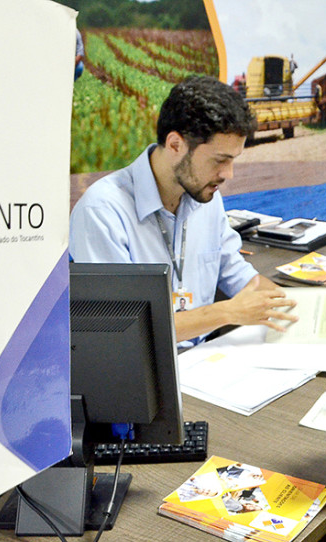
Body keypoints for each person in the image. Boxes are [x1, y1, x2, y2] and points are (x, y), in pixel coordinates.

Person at [70, 75, 298, 344]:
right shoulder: (103, 211)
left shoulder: (206, 197)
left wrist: (301, 310)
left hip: (203, 359)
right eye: (220, 161)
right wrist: (225, 312)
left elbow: (238, 274)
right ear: (176, 144)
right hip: (146, 371)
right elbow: (124, 328)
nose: (229, 174)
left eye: (233, 160)